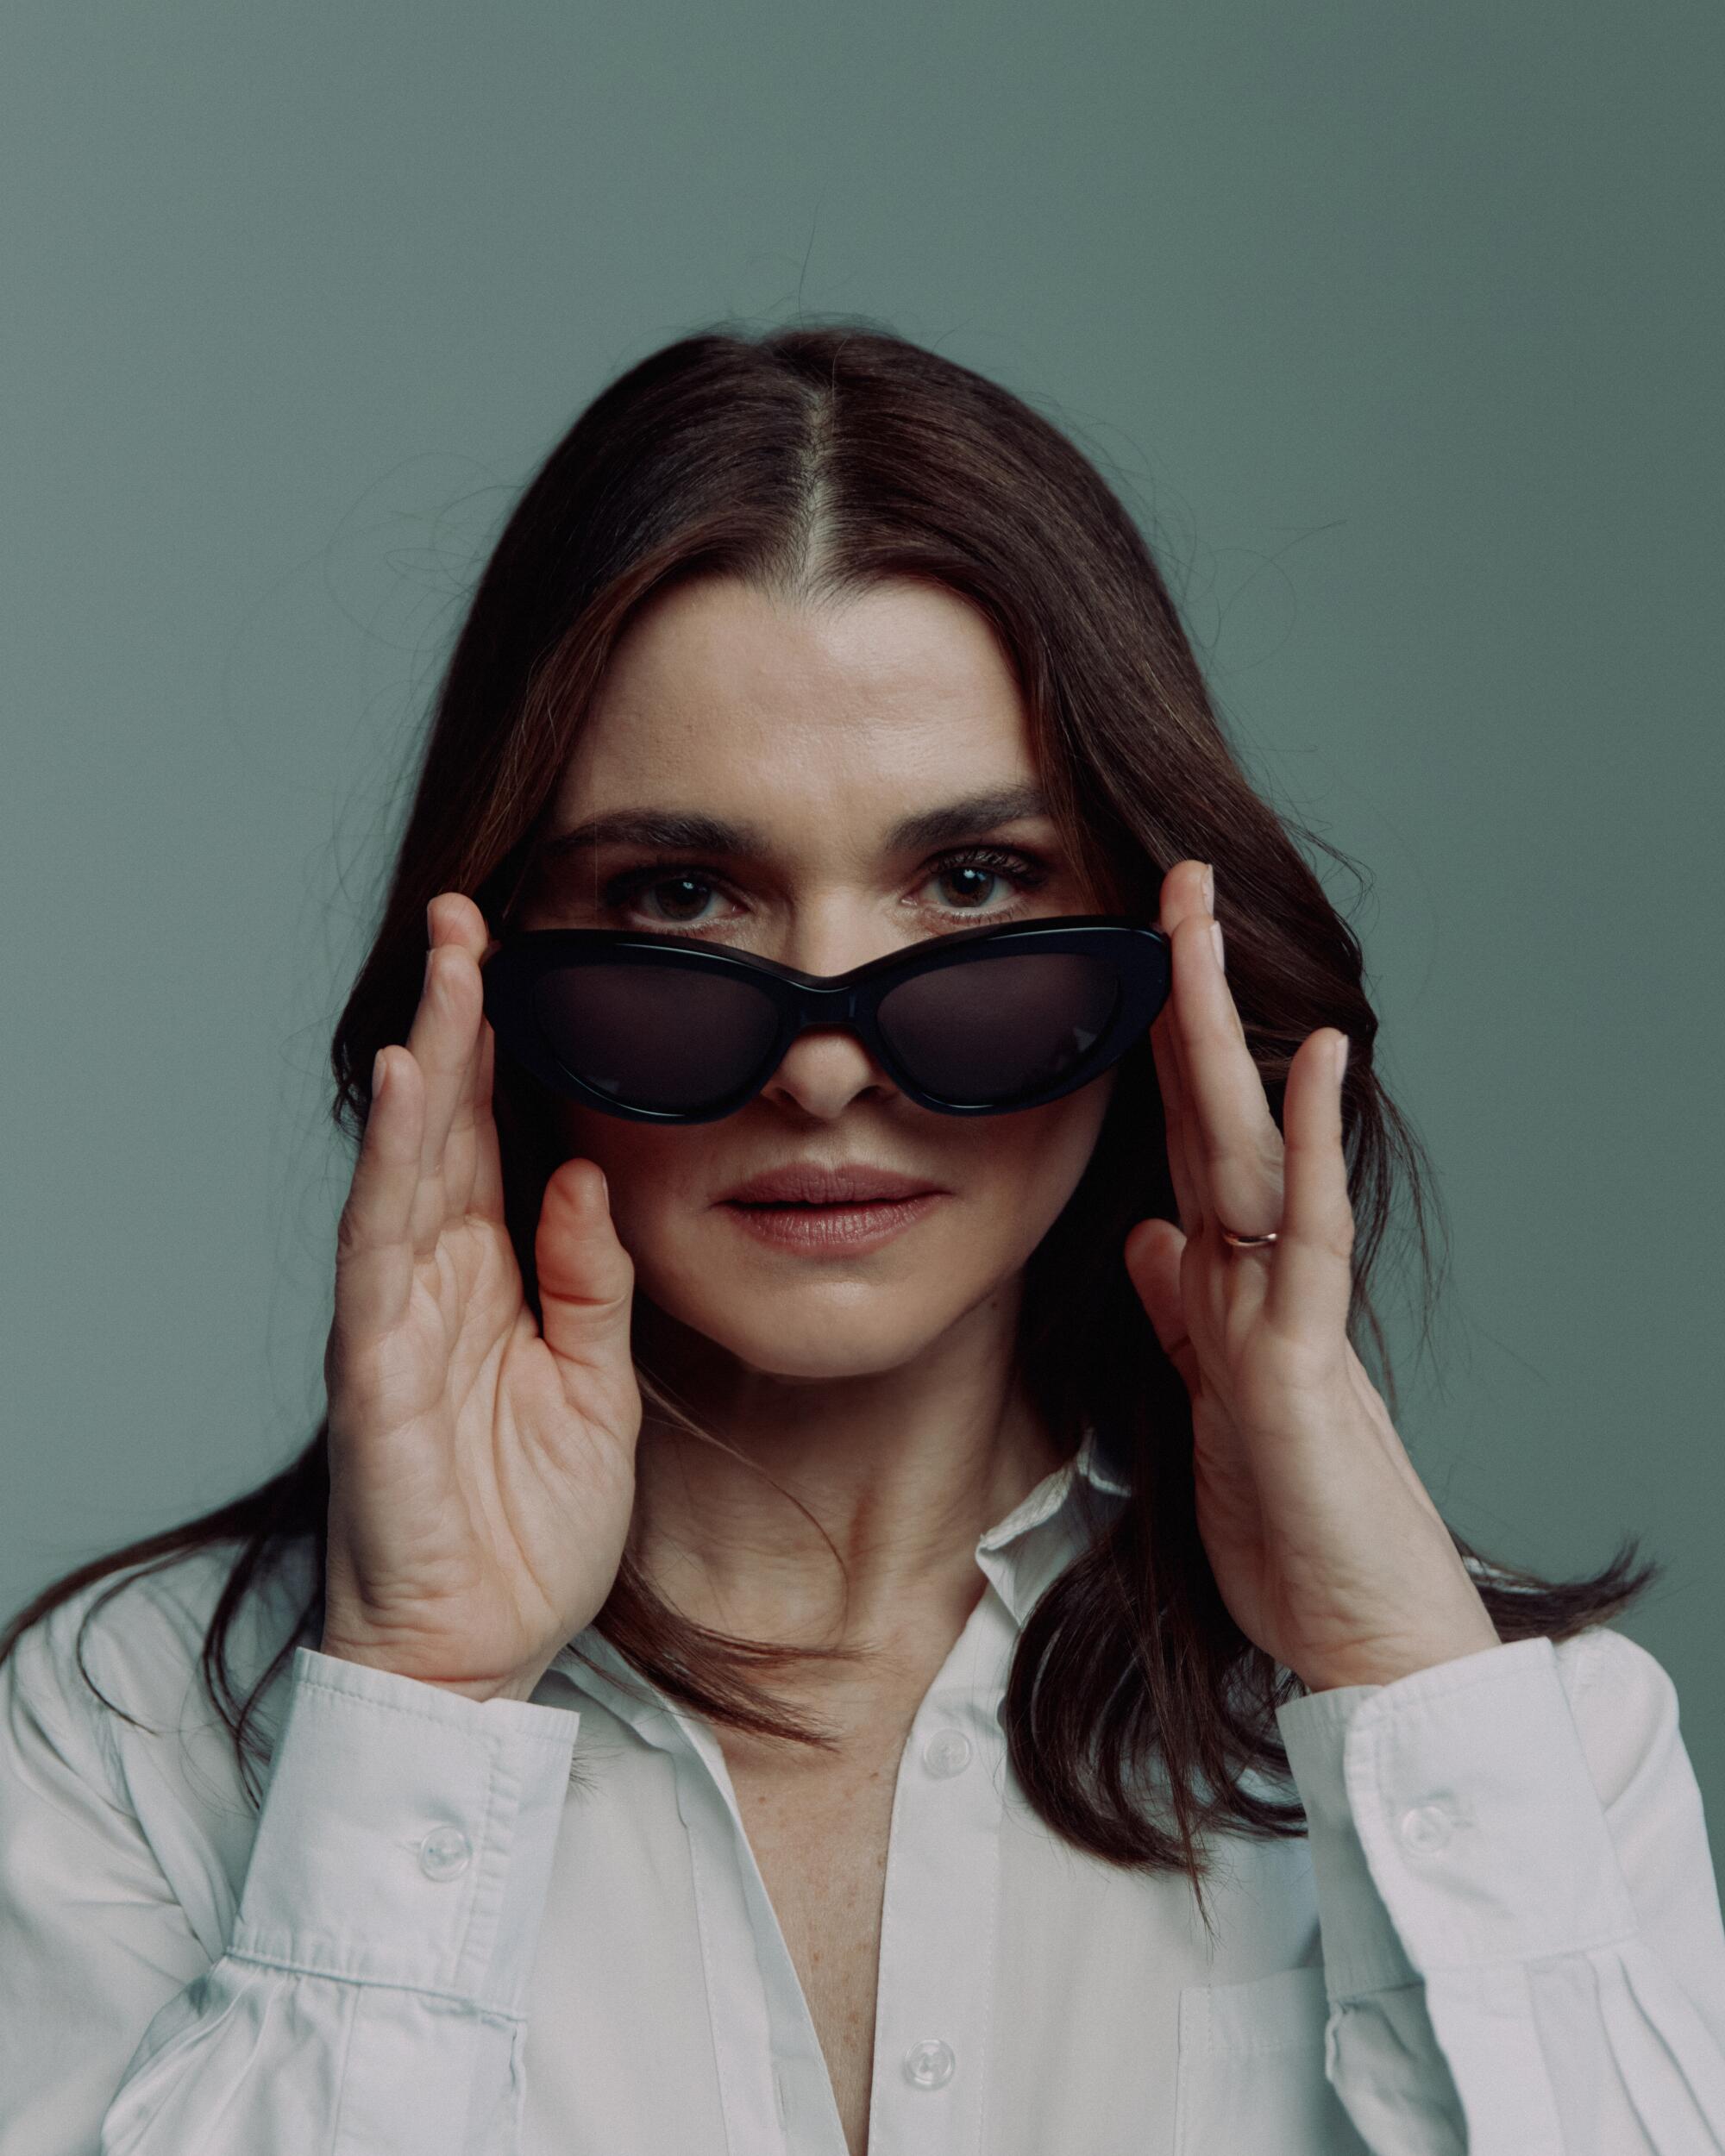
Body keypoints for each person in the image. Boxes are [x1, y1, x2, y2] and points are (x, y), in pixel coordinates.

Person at [3, 323, 1722, 2156]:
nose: (825, 1064)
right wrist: (417, 1703)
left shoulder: (1525, 1753)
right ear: (495, 974)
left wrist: (1394, 1676)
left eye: (972, 883)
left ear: (1166, 966)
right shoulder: (133, 1734)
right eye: (682, 895)